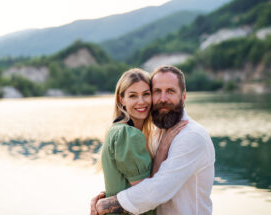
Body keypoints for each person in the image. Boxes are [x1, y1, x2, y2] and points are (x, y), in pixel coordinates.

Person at [91, 66, 215, 215]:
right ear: (121, 99)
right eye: (157, 91)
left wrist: (107, 204)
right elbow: (142, 186)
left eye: (170, 91)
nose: (163, 98)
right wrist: (109, 196)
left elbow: (155, 191)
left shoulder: (191, 136)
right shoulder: (154, 133)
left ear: (183, 96)